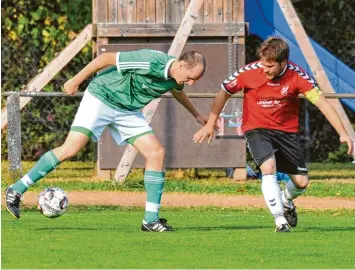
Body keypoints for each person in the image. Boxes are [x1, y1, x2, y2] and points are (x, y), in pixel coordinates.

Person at [5, 49, 207, 232]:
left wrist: (196, 114)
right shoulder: (150, 61)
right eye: (190, 78)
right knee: (70, 149)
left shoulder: (176, 78)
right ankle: (16, 190)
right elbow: (106, 58)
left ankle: (150, 220)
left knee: (156, 153)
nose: (191, 83)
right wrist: (76, 80)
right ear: (180, 65)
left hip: (127, 110)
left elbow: (177, 91)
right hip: (102, 97)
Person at [193, 36, 354, 232]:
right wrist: (210, 124)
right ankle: (280, 221)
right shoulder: (249, 72)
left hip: (287, 132)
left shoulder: (297, 76)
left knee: (301, 183)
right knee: (268, 167)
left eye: (270, 66)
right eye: (262, 64)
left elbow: (322, 103)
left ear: (283, 62)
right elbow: (223, 92)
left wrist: (343, 133)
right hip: (256, 128)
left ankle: (286, 202)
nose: (265, 69)